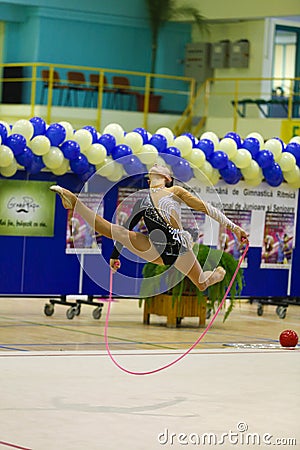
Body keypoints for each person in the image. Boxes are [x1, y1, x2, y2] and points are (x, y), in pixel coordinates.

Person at [50, 164, 248, 292]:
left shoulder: (175, 191)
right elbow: (126, 228)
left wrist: (234, 227)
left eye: (159, 167)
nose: (155, 167)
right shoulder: (142, 201)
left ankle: (216, 275)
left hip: (178, 246)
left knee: (202, 283)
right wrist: (115, 256)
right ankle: (74, 203)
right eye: (152, 169)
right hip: (155, 247)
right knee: (116, 231)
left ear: (167, 177)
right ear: (148, 179)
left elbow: (207, 209)